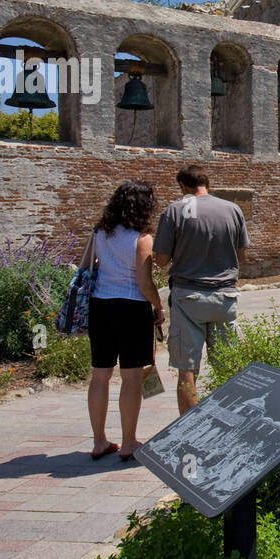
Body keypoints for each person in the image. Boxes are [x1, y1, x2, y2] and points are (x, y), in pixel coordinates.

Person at [153, 165, 249, 415]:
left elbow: (161, 259)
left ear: (183, 187)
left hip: (189, 297)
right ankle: (234, 422)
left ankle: (189, 430)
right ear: (207, 184)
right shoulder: (233, 209)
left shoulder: (175, 210)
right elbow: (241, 254)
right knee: (228, 366)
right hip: (225, 296)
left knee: (187, 370)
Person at [83, 180, 164, 461]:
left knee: (100, 374)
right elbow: (144, 283)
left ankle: (99, 441)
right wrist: (159, 305)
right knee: (130, 377)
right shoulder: (142, 238)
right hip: (131, 308)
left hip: (100, 307)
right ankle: (129, 442)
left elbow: (87, 267)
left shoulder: (99, 233)